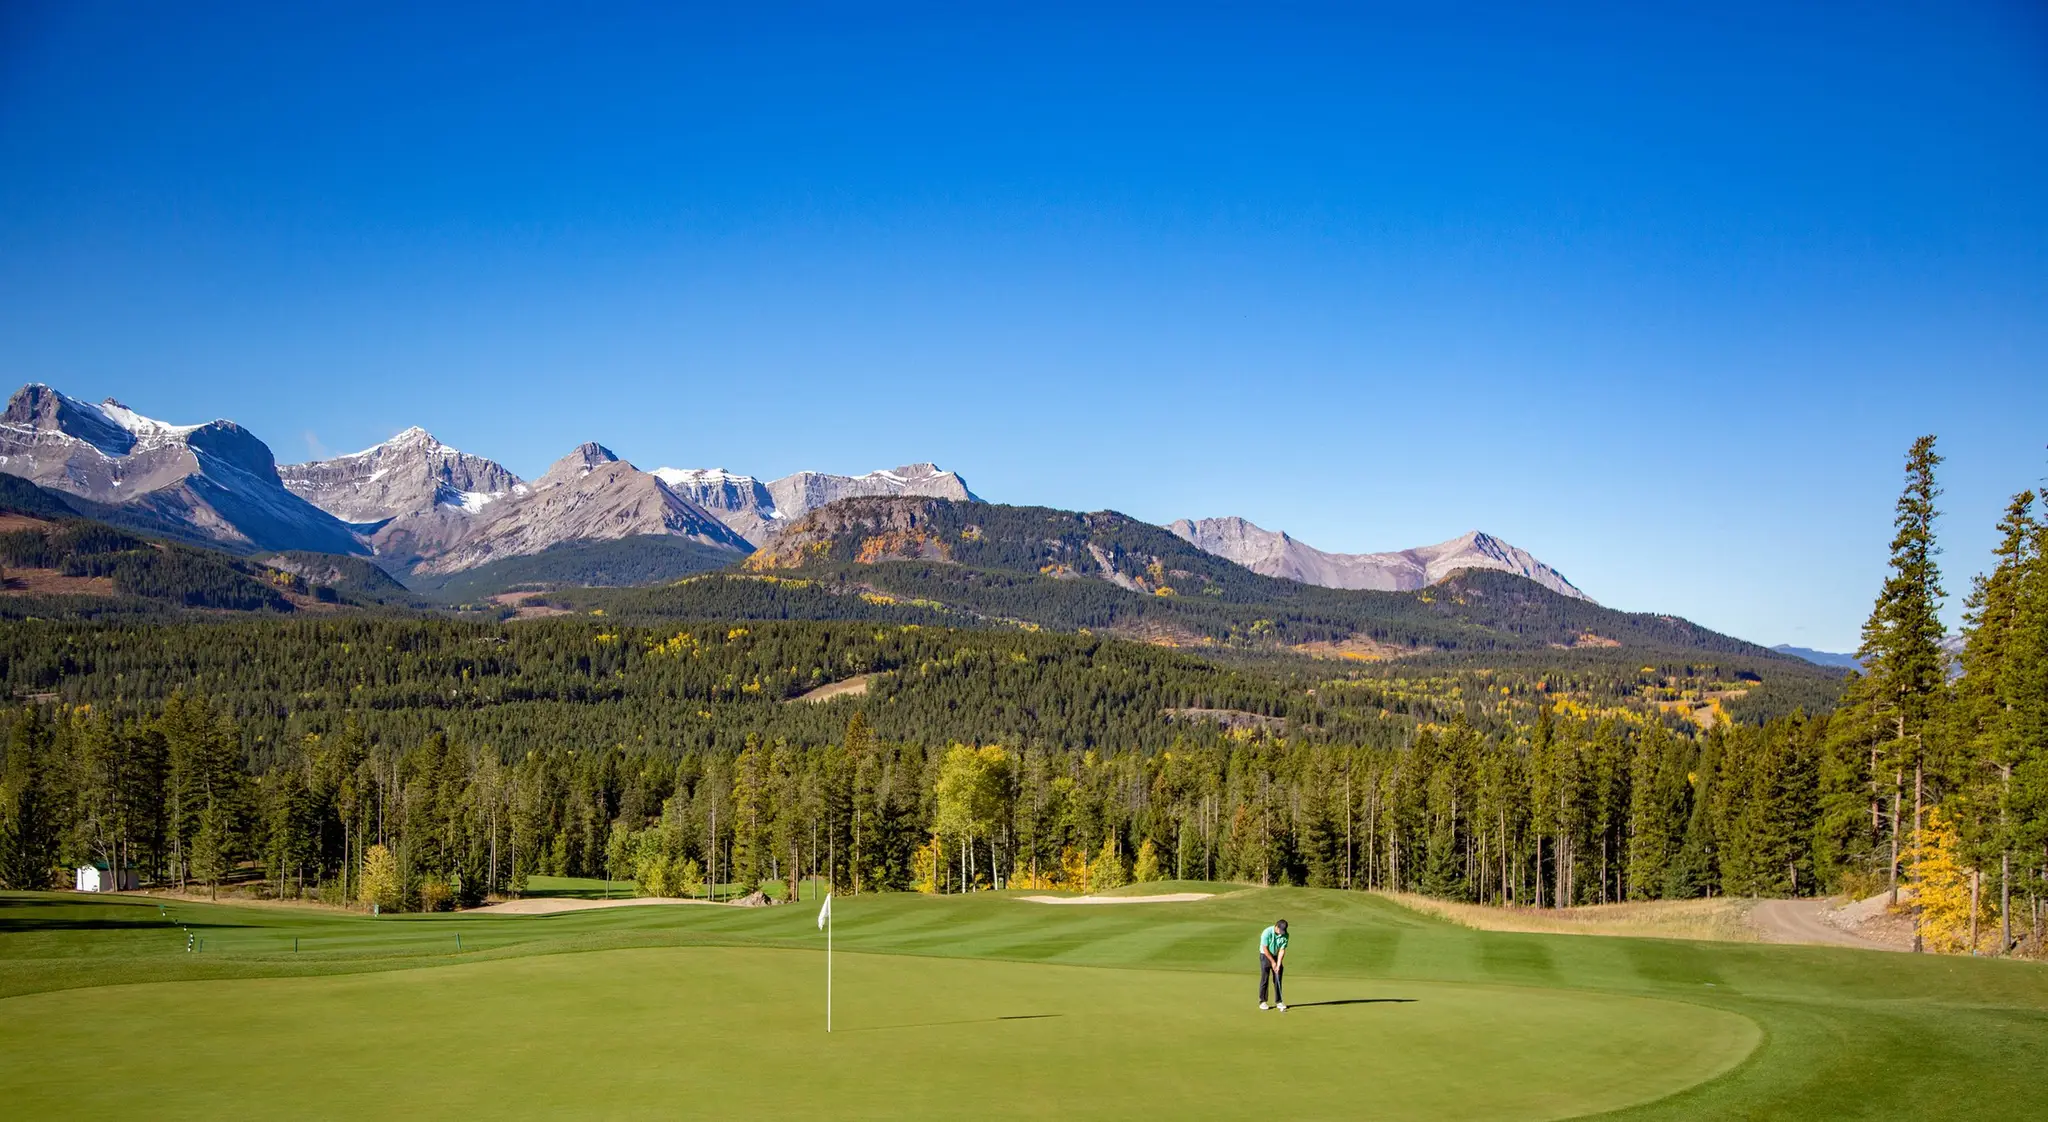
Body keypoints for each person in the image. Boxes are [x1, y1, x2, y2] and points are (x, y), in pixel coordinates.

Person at [1258, 918, 1288, 1011]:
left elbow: (1282, 950)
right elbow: (1265, 948)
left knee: (1278, 977)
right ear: (1276, 927)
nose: (1282, 933)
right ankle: (1262, 1001)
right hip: (1265, 955)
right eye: (1281, 930)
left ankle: (1279, 1001)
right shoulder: (1266, 932)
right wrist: (1273, 962)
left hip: (1275, 955)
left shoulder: (1285, 935)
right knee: (1265, 978)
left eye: (1284, 930)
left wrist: (1278, 964)